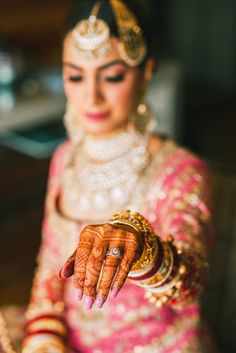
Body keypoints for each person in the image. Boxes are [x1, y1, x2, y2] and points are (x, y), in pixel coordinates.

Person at [0, 1, 218, 352]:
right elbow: (50, 267)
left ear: (146, 72)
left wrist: (142, 247)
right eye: (75, 75)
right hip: (73, 337)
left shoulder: (180, 170)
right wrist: (45, 339)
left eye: (113, 76)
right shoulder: (65, 158)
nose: (92, 96)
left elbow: (190, 282)